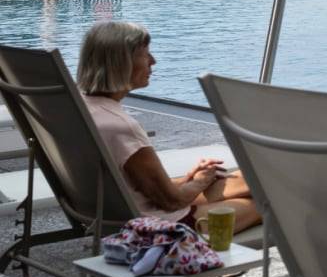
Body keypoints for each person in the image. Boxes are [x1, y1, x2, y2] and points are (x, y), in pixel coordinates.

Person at [78, 21, 260, 233]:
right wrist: (200, 182)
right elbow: (172, 202)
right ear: (121, 63)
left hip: (120, 209)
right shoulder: (121, 127)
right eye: (145, 55)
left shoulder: (82, 107)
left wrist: (192, 179)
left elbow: (147, 188)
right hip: (164, 227)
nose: (153, 61)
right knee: (269, 202)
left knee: (253, 179)